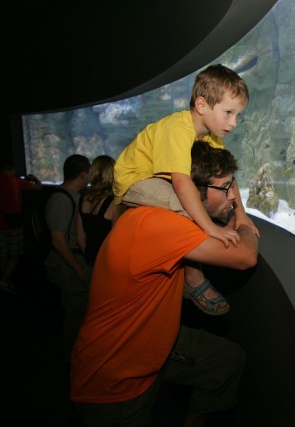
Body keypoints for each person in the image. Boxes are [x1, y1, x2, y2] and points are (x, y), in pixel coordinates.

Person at [71, 142, 258, 427]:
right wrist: (242, 222)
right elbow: (246, 256)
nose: (234, 196)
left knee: (226, 360)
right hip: (115, 376)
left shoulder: (166, 214)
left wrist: (233, 208)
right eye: (226, 187)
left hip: (155, 342)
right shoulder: (158, 224)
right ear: (194, 190)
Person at [113, 63, 260, 316]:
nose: (233, 122)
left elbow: (227, 176)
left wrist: (241, 214)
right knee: (188, 210)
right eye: (228, 113)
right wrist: (210, 226)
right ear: (202, 105)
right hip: (134, 179)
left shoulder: (211, 135)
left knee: (198, 204)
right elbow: (181, 181)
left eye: (237, 115)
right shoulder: (178, 128)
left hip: (157, 178)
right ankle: (193, 279)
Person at [43, 154, 91, 360]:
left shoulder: (70, 197)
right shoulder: (61, 199)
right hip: (68, 263)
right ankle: (73, 357)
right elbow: (58, 240)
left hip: (73, 260)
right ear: (83, 175)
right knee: (75, 313)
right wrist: (77, 268)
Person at [0, 160, 42, 294]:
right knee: (15, 253)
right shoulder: (15, 181)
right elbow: (39, 187)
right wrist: (34, 179)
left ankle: (6, 281)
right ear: (11, 169)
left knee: (2, 253)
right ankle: (4, 281)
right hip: (13, 224)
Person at [76, 155, 124, 270]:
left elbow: (80, 239)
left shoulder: (84, 198)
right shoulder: (115, 202)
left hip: (90, 261)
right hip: (107, 264)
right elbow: (118, 240)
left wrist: (91, 257)